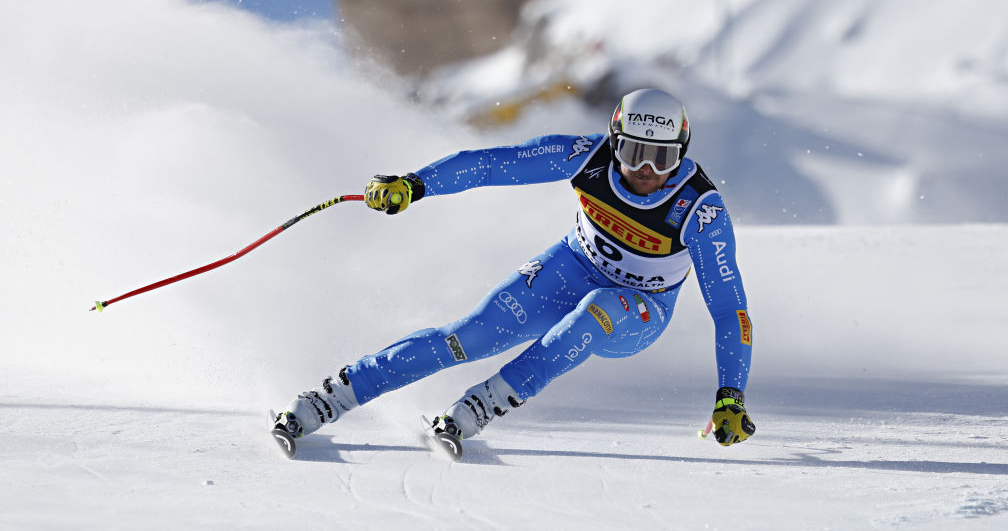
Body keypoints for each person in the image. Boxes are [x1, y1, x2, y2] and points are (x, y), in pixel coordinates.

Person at [272, 88, 755, 451]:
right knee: (468, 336)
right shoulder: (584, 157)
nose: (647, 170)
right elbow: (490, 165)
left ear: (682, 152)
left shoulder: (701, 213)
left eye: (664, 157)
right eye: (633, 153)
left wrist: (730, 395)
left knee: (597, 309)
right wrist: (414, 185)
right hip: (572, 266)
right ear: (614, 142)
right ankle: (330, 398)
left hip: (640, 311)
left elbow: (730, 311)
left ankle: (482, 405)